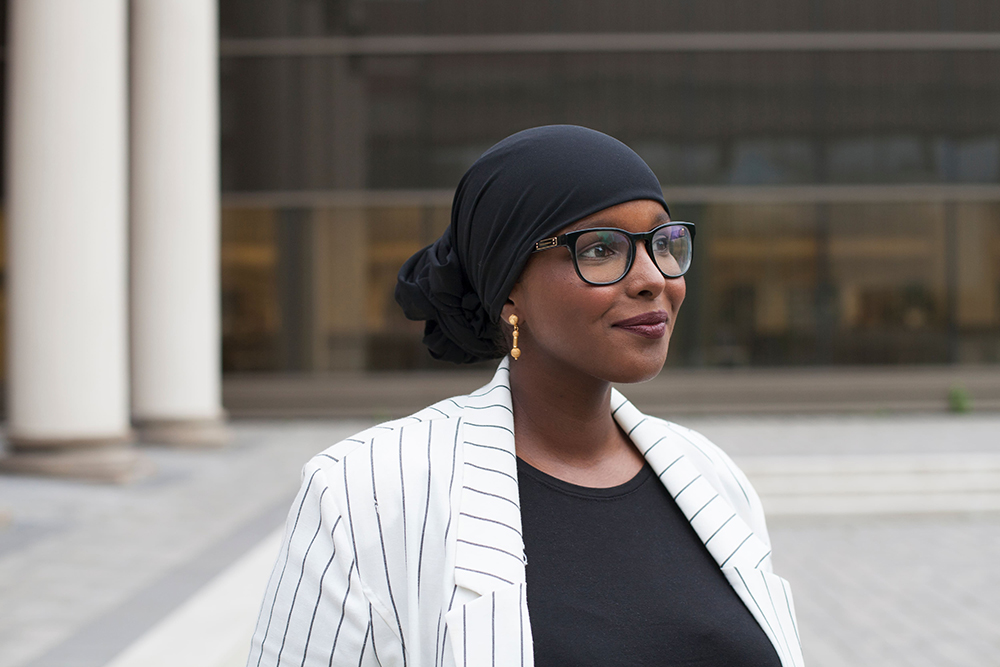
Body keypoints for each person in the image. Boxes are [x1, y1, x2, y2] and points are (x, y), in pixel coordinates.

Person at [247, 125, 804, 667]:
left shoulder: (709, 474)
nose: (651, 277)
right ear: (510, 285)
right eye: (602, 249)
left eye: (662, 242)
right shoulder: (365, 490)